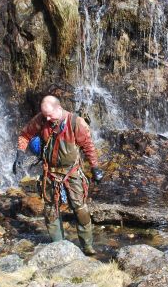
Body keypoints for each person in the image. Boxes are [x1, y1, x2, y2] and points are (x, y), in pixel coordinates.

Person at [13, 95, 103, 255]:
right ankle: (58, 246)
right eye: (44, 114)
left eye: (49, 115)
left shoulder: (76, 123)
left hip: (72, 173)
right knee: (50, 209)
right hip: (50, 173)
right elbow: (25, 135)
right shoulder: (41, 120)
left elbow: (88, 146)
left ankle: (87, 247)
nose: (47, 118)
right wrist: (20, 153)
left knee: (80, 209)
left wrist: (95, 168)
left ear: (59, 108)